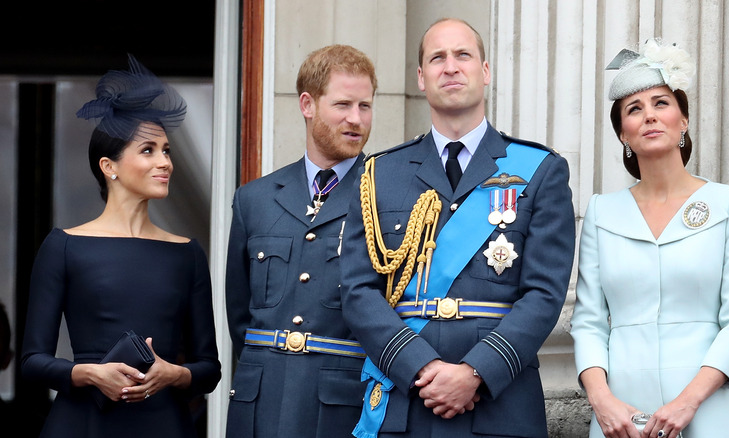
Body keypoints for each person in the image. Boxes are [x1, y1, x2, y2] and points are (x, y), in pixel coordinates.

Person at [340, 18, 575, 437]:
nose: (450, 67)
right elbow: (358, 292)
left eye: (462, 55)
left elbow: (544, 294)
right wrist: (421, 365)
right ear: (421, 77)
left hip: (499, 404)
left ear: (485, 72)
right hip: (407, 398)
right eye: (437, 58)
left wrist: (476, 372)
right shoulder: (379, 173)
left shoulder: (540, 171)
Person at [20, 54, 221, 438]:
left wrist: (173, 373)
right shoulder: (63, 246)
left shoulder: (187, 253)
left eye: (167, 150)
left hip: (163, 424)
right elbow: (32, 362)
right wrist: (89, 373)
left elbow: (208, 368)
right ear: (109, 166)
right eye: (148, 150)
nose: (165, 162)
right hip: (82, 424)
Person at [570, 39, 729, 438]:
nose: (650, 117)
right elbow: (588, 322)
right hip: (619, 417)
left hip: (705, 409)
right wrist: (602, 401)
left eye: (661, 103)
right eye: (634, 110)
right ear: (623, 133)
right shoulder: (602, 212)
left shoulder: (727, 203)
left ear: (683, 120)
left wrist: (687, 402)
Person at [224, 44, 377, 438]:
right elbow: (239, 313)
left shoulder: (386, 195)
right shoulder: (253, 199)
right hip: (260, 402)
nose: (356, 119)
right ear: (307, 104)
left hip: (343, 407)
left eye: (365, 106)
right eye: (342, 105)